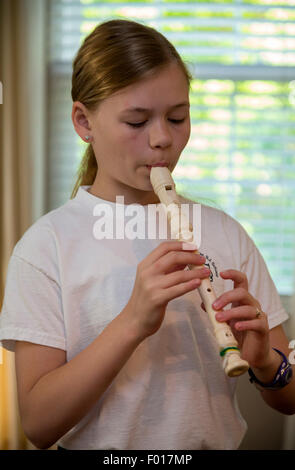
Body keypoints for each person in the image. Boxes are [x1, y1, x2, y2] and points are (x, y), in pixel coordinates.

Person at [0, 19, 294, 451]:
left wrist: (266, 362)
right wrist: (132, 322)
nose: (162, 140)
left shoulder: (224, 232)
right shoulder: (48, 246)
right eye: (137, 122)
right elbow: (39, 425)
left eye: (178, 117)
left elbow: (288, 400)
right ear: (84, 122)